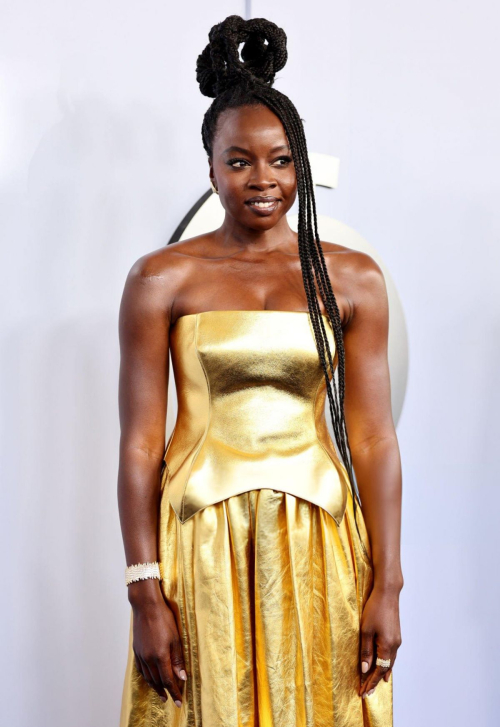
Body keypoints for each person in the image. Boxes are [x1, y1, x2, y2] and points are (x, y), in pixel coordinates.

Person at [118, 14, 403, 727]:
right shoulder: (160, 279)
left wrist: (388, 581)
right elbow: (138, 445)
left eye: (280, 159)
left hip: (321, 538)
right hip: (201, 540)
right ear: (210, 168)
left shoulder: (356, 279)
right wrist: (144, 589)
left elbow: (372, 441)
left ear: (301, 164)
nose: (262, 178)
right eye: (238, 160)